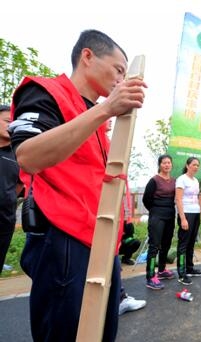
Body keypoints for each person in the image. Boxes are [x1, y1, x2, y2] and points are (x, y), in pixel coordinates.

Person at [8, 29, 146, 341]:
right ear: (87, 56)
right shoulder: (46, 92)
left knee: (99, 333)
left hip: (100, 241)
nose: (121, 80)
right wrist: (106, 108)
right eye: (118, 70)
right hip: (64, 239)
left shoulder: (97, 119)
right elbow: (28, 156)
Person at [142, 154, 176, 290]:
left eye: (169, 162)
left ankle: (161, 270)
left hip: (170, 214)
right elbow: (146, 199)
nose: (167, 165)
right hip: (157, 215)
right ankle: (150, 276)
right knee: (154, 246)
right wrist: (155, 209)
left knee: (166, 244)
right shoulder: (154, 180)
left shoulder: (174, 181)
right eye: (164, 163)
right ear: (159, 165)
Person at [0, 105, 23, 274]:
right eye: (8, 121)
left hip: (5, 220)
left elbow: (20, 184)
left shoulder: (18, 154)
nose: (12, 125)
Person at [175, 156, 201, 285]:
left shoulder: (196, 180)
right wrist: (183, 218)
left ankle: (189, 268)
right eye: (194, 164)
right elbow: (178, 199)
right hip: (185, 213)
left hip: (195, 213)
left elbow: (196, 198)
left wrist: (200, 213)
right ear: (187, 166)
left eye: (198, 165)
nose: (196, 167)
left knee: (191, 243)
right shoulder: (182, 179)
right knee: (183, 244)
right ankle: (181, 273)